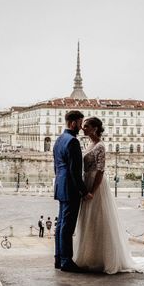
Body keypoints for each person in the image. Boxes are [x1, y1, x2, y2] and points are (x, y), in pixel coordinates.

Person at [73, 117, 144, 274]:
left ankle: (101, 258)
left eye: (87, 126)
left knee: (99, 220)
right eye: (83, 126)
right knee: (89, 221)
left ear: (95, 128)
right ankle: (90, 256)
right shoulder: (90, 144)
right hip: (87, 181)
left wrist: (92, 191)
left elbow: (101, 170)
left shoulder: (100, 146)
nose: (83, 128)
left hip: (96, 185)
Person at [53, 110, 93, 272]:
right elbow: (75, 171)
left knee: (61, 224)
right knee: (67, 226)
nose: (81, 126)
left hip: (61, 185)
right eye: (80, 123)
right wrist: (84, 191)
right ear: (73, 123)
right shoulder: (73, 142)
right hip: (70, 188)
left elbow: (56, 167)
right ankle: (66, 261)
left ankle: (58, 259)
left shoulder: (59, 140)